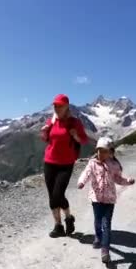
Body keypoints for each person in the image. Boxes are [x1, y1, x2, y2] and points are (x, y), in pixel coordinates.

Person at [77, 137, 135, 263]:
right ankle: (98, 236)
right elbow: (86, 174)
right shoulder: (92, 163)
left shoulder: (114, 165)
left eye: (104, 151)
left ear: (110, 152)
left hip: (109, 199)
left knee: (106, 225)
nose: (101, 153)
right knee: (98, 221)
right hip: (96, 198)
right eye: (99, 150)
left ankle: (105, 250)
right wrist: (81, 182)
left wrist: (127, 182)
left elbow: (118, 179)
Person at [40, 94, 89, 238]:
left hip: (66, 164)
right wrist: (44, 133)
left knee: (58, 194)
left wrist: (75, 136)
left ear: (67, 106)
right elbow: (47, 139)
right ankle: (58, 225)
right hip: (49, 162)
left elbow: (85, 140)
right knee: (52, 197)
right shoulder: (51, 121)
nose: (56, 107)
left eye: (59, 105)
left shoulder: (74, 122)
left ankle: (69, 217)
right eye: (55, 105)